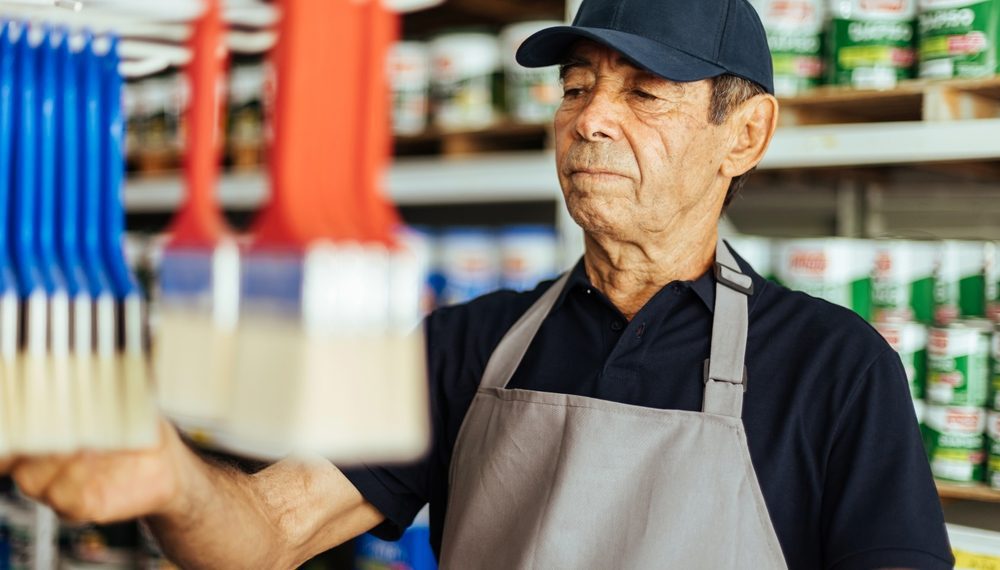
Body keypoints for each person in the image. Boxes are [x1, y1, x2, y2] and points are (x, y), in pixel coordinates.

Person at [6, 0, 953, 568]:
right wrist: (171, 477)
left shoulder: (836, 368)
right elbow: (269, 535)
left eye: (643, 94)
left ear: (743, 135)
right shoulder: (464, 346)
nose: (589, 122)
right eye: (578, 88)